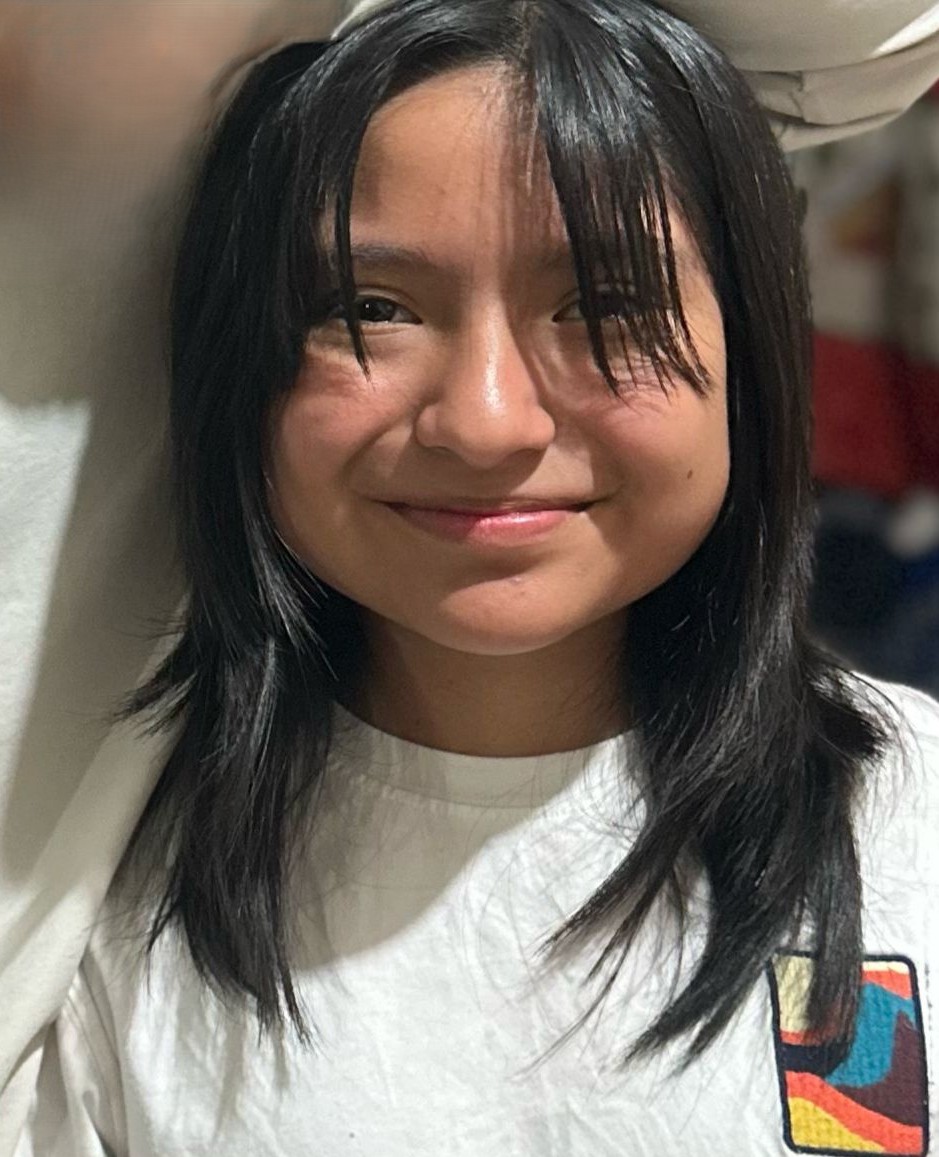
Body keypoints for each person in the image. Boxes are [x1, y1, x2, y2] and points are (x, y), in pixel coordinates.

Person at [12, 0, 939, 1153]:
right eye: (370, 310)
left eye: (602, 302)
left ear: (747, 343)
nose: (488, 421)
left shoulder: (912, 830)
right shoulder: (112, 931)